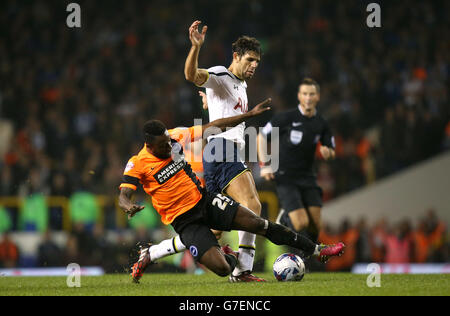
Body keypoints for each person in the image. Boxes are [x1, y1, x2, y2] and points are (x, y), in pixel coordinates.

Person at [118, 108, 345, 283]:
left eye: (169, 141)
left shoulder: (177, 137)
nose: (169, 146)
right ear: (149, 145)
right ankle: (226, 255)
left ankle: (317, 250)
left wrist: (248, 115)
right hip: (184, 221)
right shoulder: (138, 163)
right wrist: (128, 206)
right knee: (223, 269)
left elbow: (214, 125)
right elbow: (124, 194)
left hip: (205, 201)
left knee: (258, 223)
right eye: (163, 145)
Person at [184, 20, 266, 282]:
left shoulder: (241, 85)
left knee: (215, 228)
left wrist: (210, 102)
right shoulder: (221, 74)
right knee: (252, 204)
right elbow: (192, 75)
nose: (254, 65)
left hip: (223, 152)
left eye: (257, 62)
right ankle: (243, 271)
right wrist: (196, 47)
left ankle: (151, 253)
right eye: (250, 59)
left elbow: (224, 108)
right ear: (236, 57)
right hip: (222, 148)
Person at [257, 78, 336, 251]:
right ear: (299, 96)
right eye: (305, 94)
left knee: (315, 224)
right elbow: (261, 136)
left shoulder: (321, 123)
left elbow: (331, 149)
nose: (308, 98)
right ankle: (286, 220)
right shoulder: (286, 117)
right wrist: (265, 165)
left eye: (312, 94)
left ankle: (307, 255)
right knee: (301, 222)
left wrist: (327, 152)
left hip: (308, 177)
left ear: (317, 97)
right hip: (286, 177)